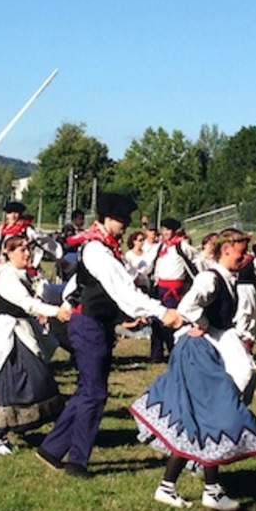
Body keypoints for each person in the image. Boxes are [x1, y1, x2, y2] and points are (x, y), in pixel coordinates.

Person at [36, 192, 183, 478]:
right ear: (107, 218)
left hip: (94, 322)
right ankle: (78, 460)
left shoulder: (102, 246)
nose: (126, 224)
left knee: (87, 390)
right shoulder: (97, 249)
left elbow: (87, 286)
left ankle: (52, 448)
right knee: (94, 393)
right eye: (122, 219)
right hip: (88, 323)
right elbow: (121, 290)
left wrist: (125, 315)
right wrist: (159, 310)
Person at [129, 228, 256, 511]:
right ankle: (208, 489)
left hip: (209, 349)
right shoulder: (210, 278)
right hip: (199, 352)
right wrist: (202, 321)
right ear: (226, 249)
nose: (243, 257)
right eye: (240, 252)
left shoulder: (224, 277)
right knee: (209, 415)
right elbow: (187, 305)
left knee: (198, 420)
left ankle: (176, 487)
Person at [0, 235, 71, 454]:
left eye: (28, 249)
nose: (27, 253)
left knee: (33, 379)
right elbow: (26, 303)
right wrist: (55, 312)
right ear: (8, 253)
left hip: (19, 333)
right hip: (9, 338)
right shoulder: (7, 276)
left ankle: (55, 427)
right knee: (13, 382)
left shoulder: (17, 275)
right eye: (21, 250)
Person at [146, 218, 198, 362]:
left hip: (174, 290)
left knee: (171, 321)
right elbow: (150, 263)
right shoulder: (160, 247)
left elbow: (196, 261)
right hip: (160, 287)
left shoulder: (182, 246)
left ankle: (174, 351)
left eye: (168, 230)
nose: (165, 232)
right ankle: (156, 354)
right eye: (163, 229)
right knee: (156, 319)